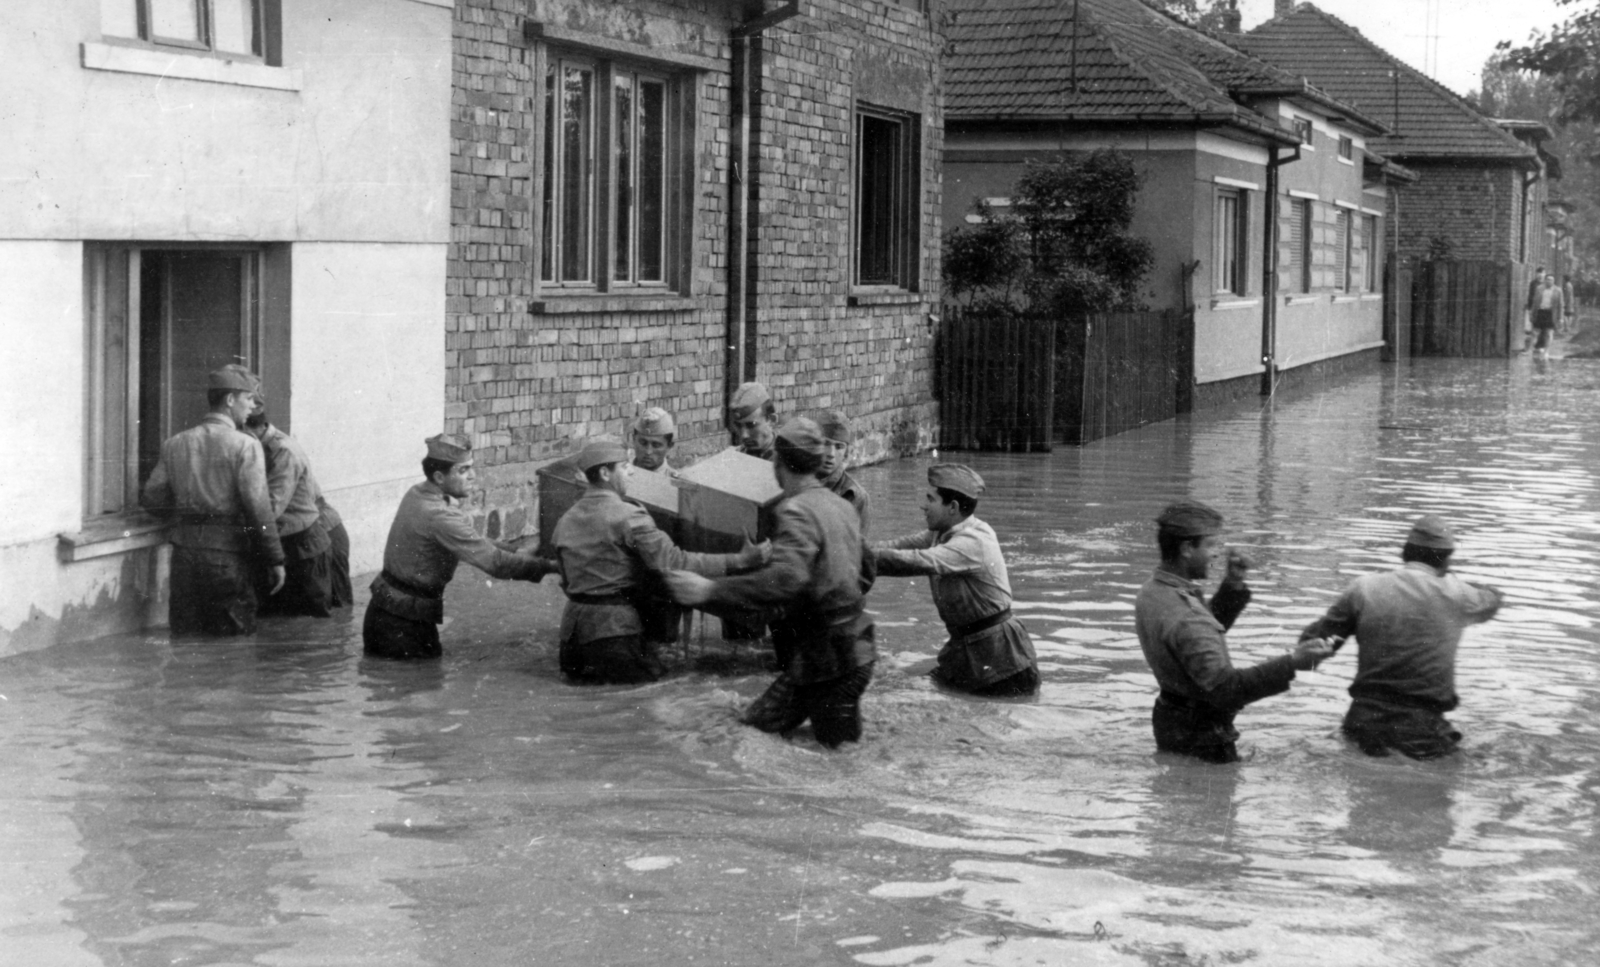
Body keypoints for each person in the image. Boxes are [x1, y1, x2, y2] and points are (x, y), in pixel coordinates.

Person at [665, 418, 877, 748]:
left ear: (777, 463)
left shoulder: (795, 510)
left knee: (839, 755)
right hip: (839, 653)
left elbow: (784, 581)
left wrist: (709, 590)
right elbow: (868, 570)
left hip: (830, 664)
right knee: (753, 725)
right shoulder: (841, 506)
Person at [553, 437, 769, 684]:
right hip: (614, 634)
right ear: (604, 473)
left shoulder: (565, 521)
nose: (632, 471)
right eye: (624, 466)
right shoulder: (629, 516)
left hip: (571, 640)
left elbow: (565, 580)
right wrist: (740, 560)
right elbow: (674, 561)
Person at [1134, 500, 1333, 763]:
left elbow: (1196, 637)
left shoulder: (1154, 591)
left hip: (1171, 720)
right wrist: (1293, 663)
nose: (1217, 554)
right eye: (1210, 545)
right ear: (1186, 549)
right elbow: (1227, 690)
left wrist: (1233, 584)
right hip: (1203, 736)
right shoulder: (1186, 615)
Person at [1299, 515, 1502, 760]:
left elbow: (1313, 645)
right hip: (1422, 730)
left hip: (1362, 723)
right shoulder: (1459, 594)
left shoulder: (1363, 588)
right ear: (1447, 558)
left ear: (1405, 553)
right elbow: (1492, 600)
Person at [363, 434, 556, 660]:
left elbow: (471, 541)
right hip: (403, 625)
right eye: (463, 471)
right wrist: (551, 566)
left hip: (390, 612)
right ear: (439, 476)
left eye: (471, 468)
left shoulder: (419, 493)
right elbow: (495, 564)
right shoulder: (439, 515)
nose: (473, 476)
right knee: (418, 683)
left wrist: (515, 550)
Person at [141, 367, 285, 636]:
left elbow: (152, 498)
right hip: (227, 557)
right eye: (249, 399)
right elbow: (260, 511)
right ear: (230, 400)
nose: (253, 407)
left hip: (184, 556)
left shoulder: (175, 443)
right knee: (232, 643)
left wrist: (188, 510)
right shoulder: (245, 445)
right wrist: (275, 558)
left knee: (185, 638)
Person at [873, 464, 1039, 696]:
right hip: (969, 648)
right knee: (916, 692)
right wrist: (849, 551)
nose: (924, 505)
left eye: (931, 499)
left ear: (952, 507)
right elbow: (895, 548)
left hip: (1002, 659)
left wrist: (859, 559)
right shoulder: (940, 533)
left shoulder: (973, 540)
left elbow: (917, 561)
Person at [241, 387, 337, 617]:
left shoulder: (283, 451)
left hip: (304, 547)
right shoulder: (259, 446)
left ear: (252, 429)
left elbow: (271, 508)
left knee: (309, 624)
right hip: (287, 543)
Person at [809, 409, 870, 534]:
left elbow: (857, 548)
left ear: (846, 452)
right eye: (825, 444)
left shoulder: (855, 496)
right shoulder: (795, 481)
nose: (831, 454)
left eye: (839, 447)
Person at [729, 381, 777, 461]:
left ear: (771, 420)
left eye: (751, 425)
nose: (744, 435)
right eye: (738, 426)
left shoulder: (788, 462)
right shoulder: (735, 458)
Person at [631, 407, 678, 474]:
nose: (648, 451)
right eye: (643, 443)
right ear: (633, 439)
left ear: (669, 446)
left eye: (656, 445)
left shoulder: (676, 483)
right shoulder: (618, 477)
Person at [1533, 271, 1562, 356]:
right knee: (1535, 332)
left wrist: (1561, 318)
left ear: (1554, 281)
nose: (1549, 281)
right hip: (1540, 311)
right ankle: (1532, 349)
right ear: (1545, 280)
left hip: (1550, 313)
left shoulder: (1558, 290)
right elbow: (1535, 302)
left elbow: (1561, 304)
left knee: (1549, 333)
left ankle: (1546, 351)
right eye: (1548, 279)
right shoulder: (1539, 288)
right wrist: (1532, 313)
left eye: (1551, 280)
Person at [1525, 265, 1545, 351]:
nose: (1540, 275)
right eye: (1539, 273)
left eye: (1542, 273)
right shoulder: (1533, 284)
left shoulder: (1546, 284)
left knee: (1543, 329)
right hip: (1534, 309)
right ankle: (1530, 347)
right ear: (1536, 274)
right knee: (1534, 328)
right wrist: (1529, 308)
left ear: (1544, 274)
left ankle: (1539, 346)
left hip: (1544, 309)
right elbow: (1530, 296)